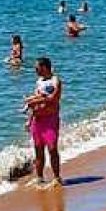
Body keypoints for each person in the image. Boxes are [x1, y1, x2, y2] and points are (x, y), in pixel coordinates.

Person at [25, 57, 63, 186]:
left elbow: (54, 99)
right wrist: (29, 119)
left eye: (37, 68)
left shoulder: (55, 80)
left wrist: (36, 101)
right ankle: (39, 178)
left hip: (50, 119)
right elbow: (35, 101)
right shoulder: (39, 82)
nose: (35, 70)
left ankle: (57, 178)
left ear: (44, 67)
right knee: (38, 150)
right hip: (37, 119)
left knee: (52, 149)